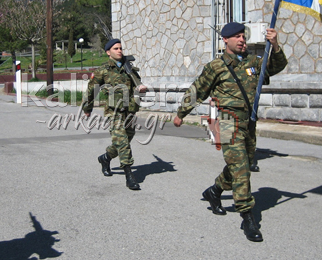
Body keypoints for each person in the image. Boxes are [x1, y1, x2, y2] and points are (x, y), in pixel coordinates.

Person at [173, 22, 287, 242]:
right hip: (226, 121)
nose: (242, 40)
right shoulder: (217, 66)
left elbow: (275, 67)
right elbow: (197, 89)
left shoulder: (254, 62)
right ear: (225, 40)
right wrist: (181, 113)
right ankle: (247, 216)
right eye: (236, 37)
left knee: (242, 163)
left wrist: (275, 45)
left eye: (243, 36)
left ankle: (215, 191)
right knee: (241, 167)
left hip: (249, 121)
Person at [83, 38, 146, 190]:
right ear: (108, 52)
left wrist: (141, 87)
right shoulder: (103, 70)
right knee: (122, 141)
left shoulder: (128, 68)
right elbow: (92, 89)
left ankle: (105, 158)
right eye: (116, 48)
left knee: (126, 138)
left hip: (130, 109)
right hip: (114, 111)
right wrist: (87, 107)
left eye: (120, 48)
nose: (119, 51)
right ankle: (129, 176)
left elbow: (138, 84)